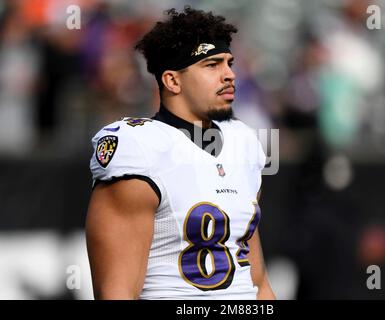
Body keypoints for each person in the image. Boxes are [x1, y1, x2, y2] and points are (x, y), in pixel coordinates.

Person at [85, 6, 275, 300]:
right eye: (212, 65)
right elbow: (117, 292)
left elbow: (257, 282)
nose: (230, 75)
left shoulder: (244, 142)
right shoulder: (140, 147)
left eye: (229, 63)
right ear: (172, 80)